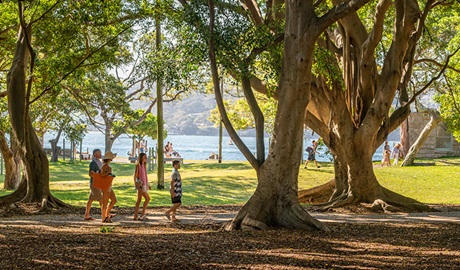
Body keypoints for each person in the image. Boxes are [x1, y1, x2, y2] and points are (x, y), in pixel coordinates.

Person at [84, 149, 103, 221]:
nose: (100, 154)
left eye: (100, 152)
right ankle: (106, 214)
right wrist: (97, 175)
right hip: (94, 184)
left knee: (91, 199)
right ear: (95, 154)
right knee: (101, 199)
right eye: (99, 153)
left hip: (97, 183)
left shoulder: (98, 162)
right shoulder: (93, 163)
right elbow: (90, 173)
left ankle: (86, 215)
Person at [100, 151, 117, 223]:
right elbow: (102, 175)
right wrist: (108, 172)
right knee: (105, 202)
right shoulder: (104, 166)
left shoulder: (107, 165)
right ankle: (104, 217)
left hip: (108, 185)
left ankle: (107, 213)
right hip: (105, 186)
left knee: (114, 200)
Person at [133, 153, 151, 220]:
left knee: (139, 200)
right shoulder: (138, 165)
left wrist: (148, 185)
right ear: (141, 158)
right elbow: (135, 175)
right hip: (140, 185)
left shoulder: (144, 165)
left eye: (146, 157)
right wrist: (135, 183)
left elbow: (145, 176)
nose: (146, 158)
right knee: (147, 199)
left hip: (144, 185)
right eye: (144, 157)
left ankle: (136, 215)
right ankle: (141, 214)